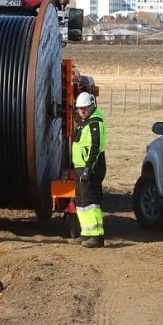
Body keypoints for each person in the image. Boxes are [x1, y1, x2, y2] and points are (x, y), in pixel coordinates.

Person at [70, 91, 107, 248]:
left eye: (85, 108)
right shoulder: (86, 122)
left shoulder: (95, 124)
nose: (82, 111)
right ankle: (86, 233)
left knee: (91, 202)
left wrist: (88, 168)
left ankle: (97, 236)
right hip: (81, 168)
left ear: (92, 105)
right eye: (80, 108)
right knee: (82, 201)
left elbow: (95, 147)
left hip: (90, 169)